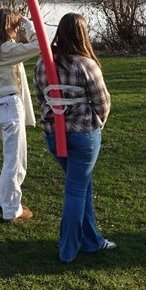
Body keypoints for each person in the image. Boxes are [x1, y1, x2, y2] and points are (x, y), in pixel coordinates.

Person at [34, 13, 114, 264]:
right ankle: (68, 249)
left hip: (53, 135)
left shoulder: (43, 64)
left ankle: (91, 241)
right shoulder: (85, 64)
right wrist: (98, 122)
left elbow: (41, 97)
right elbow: (102, 102)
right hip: (82, 136)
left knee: (81, 185)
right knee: (76, 190)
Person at [0, 8, 41, 223]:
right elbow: (39, 45)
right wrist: (28, 24)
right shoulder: (5, 49)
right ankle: (11, 209)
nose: (17, 29)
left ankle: (2, 199)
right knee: (15, 162)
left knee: (14, 159)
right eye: (14, 25)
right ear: (7, 26)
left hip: (2, 106)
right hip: (10, 106)